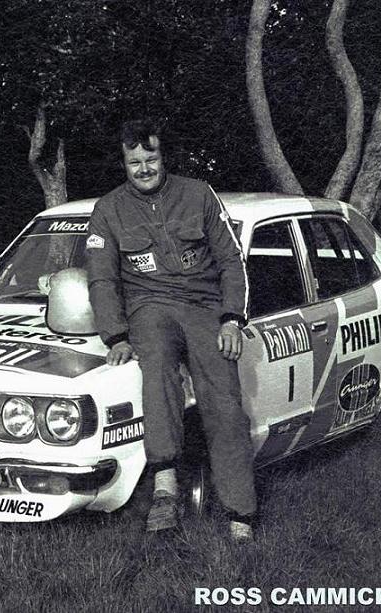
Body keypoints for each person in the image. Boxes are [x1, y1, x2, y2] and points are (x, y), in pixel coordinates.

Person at [85, 120, 256, 541]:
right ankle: (165, 483)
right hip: (149, 306)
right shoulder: (108, 210)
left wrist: (231, 318)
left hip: (204, 307)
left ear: (164, 158)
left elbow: (231, 261)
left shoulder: (199, 194)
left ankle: (241, 511)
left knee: (224, 399)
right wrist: (115, 335)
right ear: (124, 165)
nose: (144, 168)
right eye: (135, 162)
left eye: (152, 158)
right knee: (157, 364)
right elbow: (102, 279)